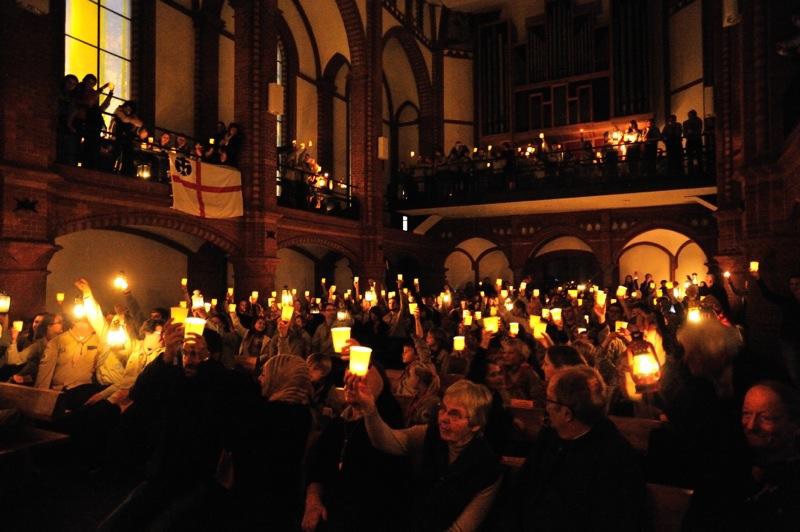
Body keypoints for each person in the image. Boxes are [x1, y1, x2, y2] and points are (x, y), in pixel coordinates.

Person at [504, 366, 646, 531]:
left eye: (549, 400)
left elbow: (610, 520)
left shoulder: (614, 459)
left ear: (566, 413)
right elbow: (523, 489)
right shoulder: (550, 437)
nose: (546, 407)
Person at [352, 377, 502, 531]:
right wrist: (369, 408)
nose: (443, 418)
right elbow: (386, 441)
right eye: (443, 409)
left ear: (476, 424)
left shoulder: (488, 468)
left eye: (455, 414)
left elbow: (460, 529)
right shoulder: (429, 434)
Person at [685, 381, 800, 530]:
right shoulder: (725, 470)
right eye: (747, 414)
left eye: (766, 418)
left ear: (795, 423)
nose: (751, 425)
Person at [225, 355, 313, 529]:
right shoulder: (304, 415)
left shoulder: (264, 415)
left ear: (280, 378)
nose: (259, 379)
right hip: (285, 502)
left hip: (255, 504)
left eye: (264, 374)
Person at [751, 269, 800, 386]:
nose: (794, 287)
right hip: (789, 341)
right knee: (794, 372)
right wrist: (758, 278)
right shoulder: (787, 301)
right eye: (791, 284)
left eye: (797, 284)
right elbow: (768, 295)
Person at [683, 110, 704, 176]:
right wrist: (688, 133)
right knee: (691, 156)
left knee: (698, 155)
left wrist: (690, 133)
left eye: (691, 115)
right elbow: (685, 132)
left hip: (695, 140)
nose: (690, 116)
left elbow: (698, 130)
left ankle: (697, 170)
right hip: (692, 140)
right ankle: (693, 170)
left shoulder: (696, 121)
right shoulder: (687, 122)